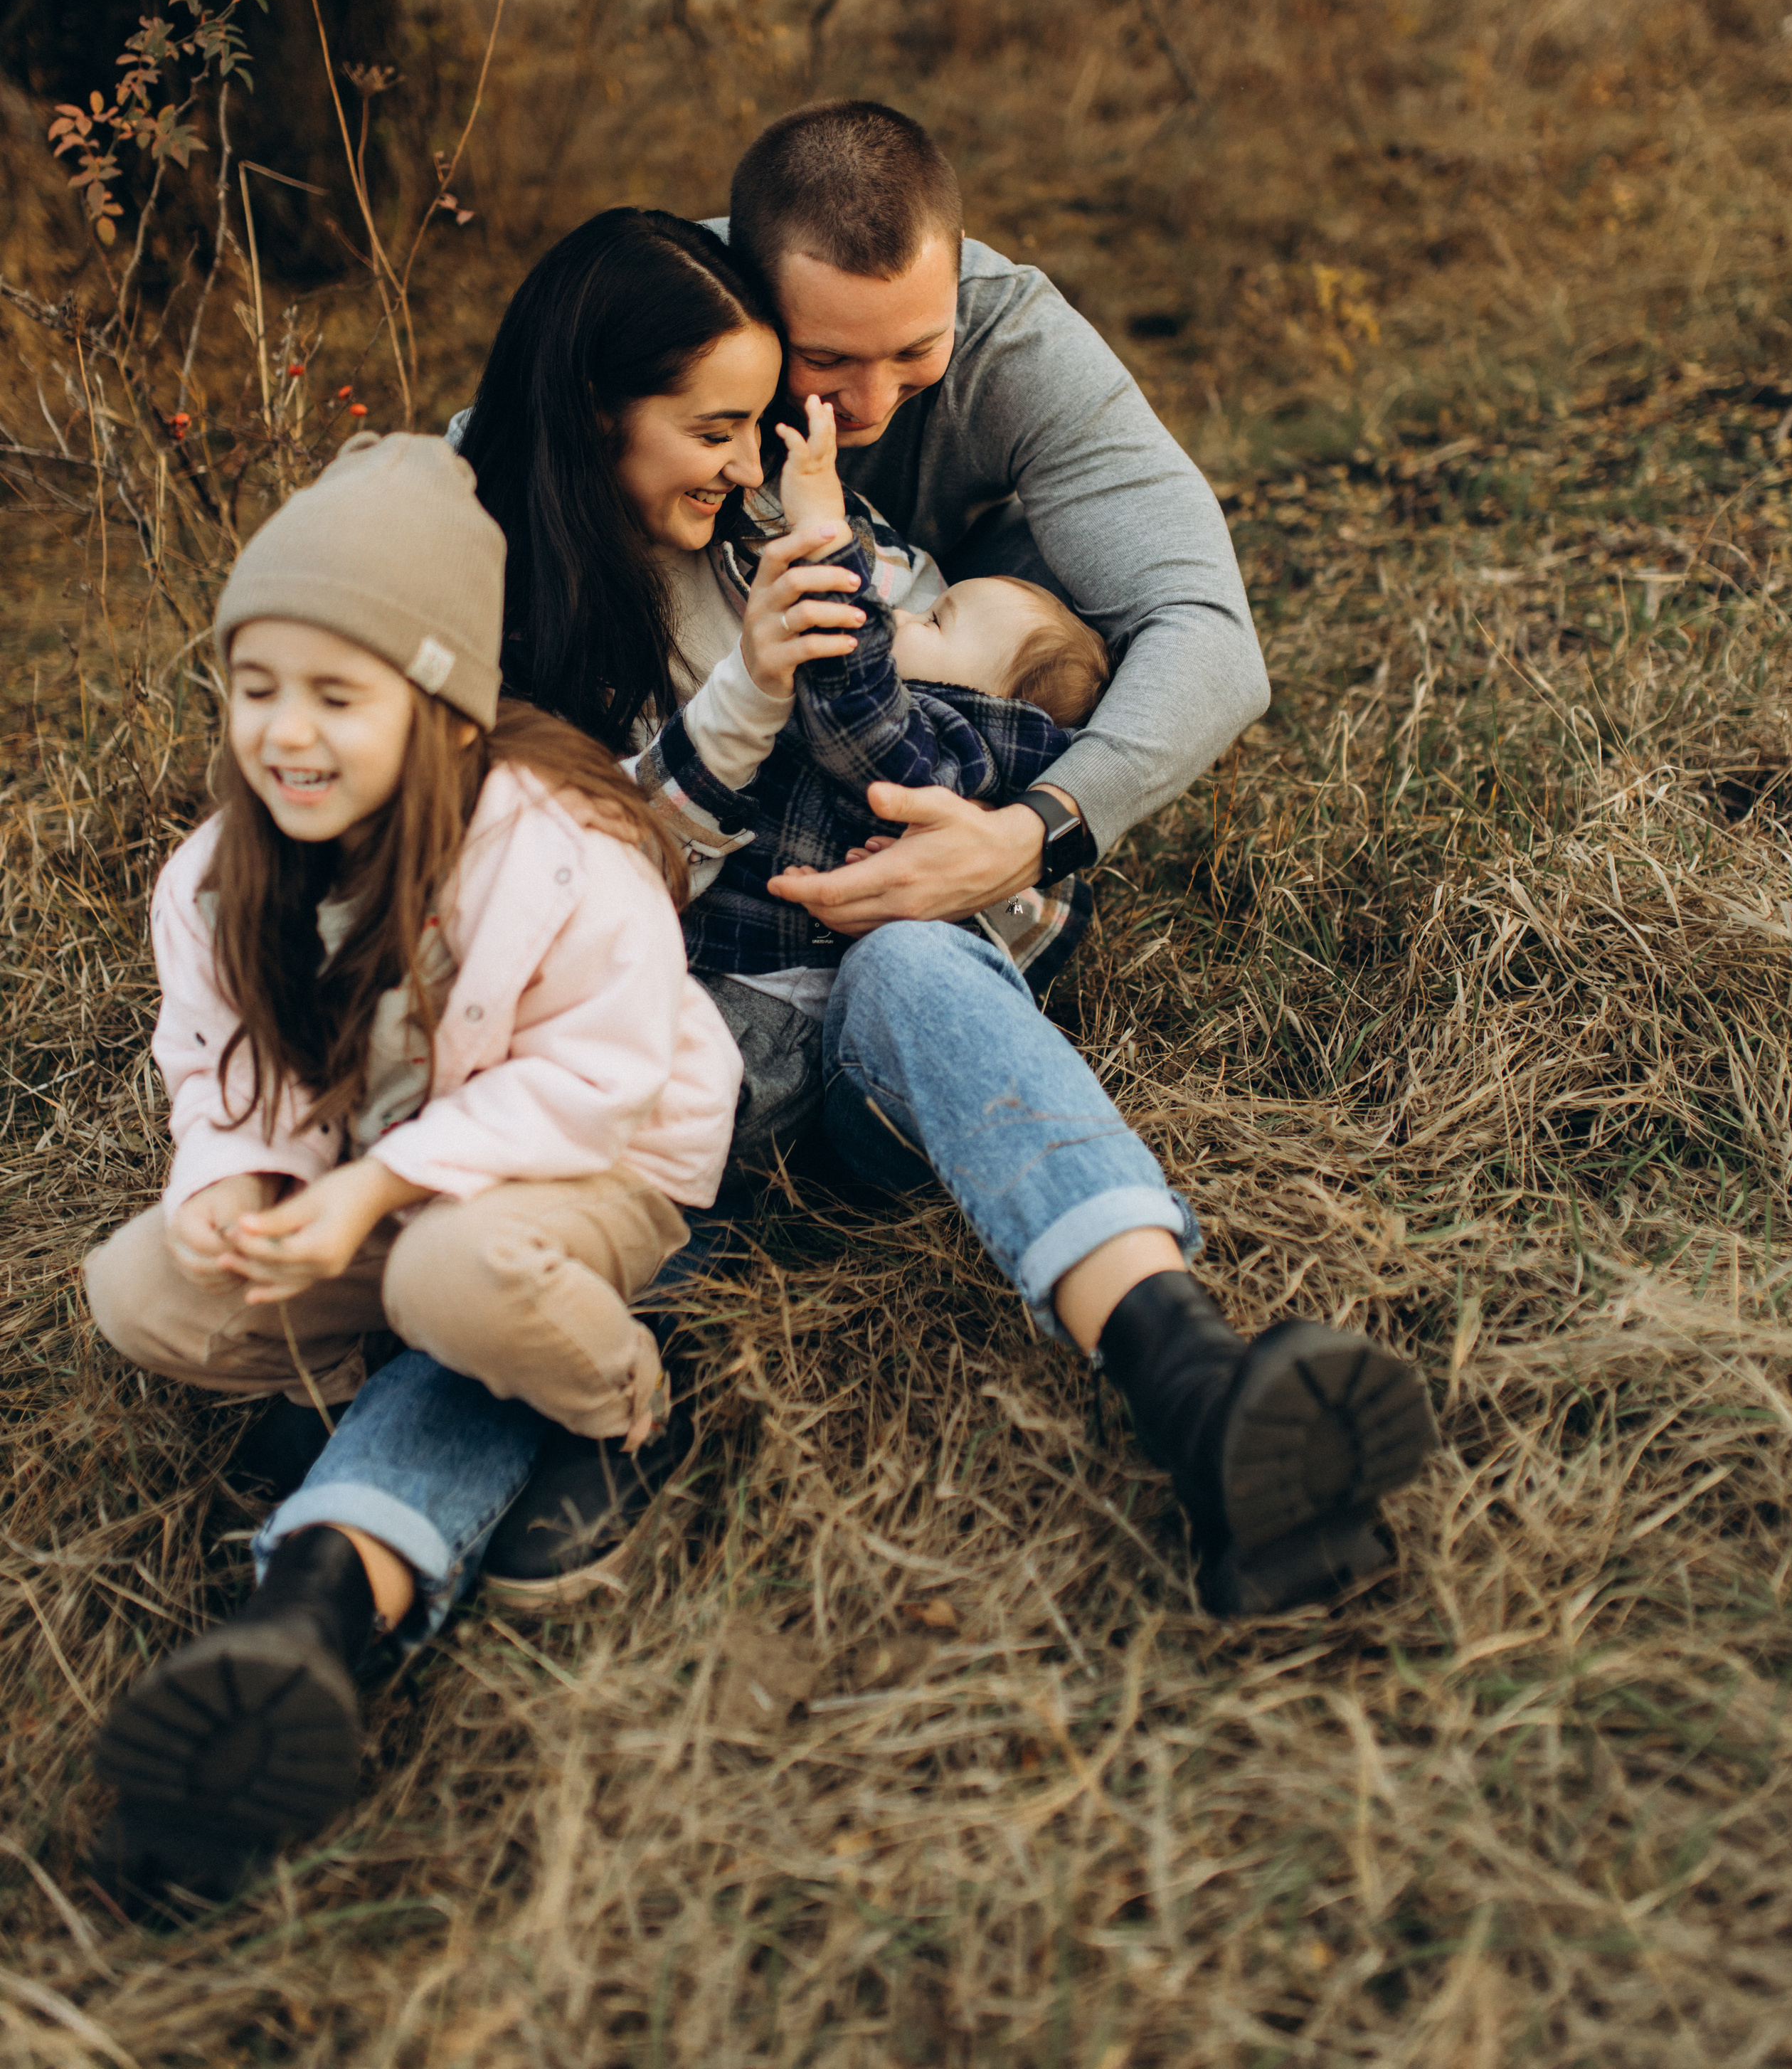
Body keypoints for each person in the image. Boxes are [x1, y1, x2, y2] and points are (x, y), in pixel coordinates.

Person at [450, 174, 1438, 1614]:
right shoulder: (520, 556)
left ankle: (1192, 1382)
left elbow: (1194, 643)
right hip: (655, 1050)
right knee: (574, 1155)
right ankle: (377, 1549)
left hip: (862, 1028)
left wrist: (1024, 836)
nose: (867, 404)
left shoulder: (885, 459)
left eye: (910, 359)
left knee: (914, 963)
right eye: (815, 375)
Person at [83, 431, 742, 1905]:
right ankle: (378, 1358)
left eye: (336, 697)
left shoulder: (555, 851)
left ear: (443, 715)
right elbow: (214, 1078)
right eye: (257, 691)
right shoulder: (217, 878)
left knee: (457, 1269)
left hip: (597, 1168)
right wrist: (242, 1193)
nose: (287, 736)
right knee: (144, 1285)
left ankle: (623, 1407)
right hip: (376, 1187)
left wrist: (378, 1196)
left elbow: (599, 1080)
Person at [635, 389, 1110, 1024]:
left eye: (937, 622)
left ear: (988, 702)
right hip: (730, 951)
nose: (906, 615)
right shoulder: (945, 740)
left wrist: (825, 538)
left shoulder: (941, 743)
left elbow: (858, 705)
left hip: (779, 990)